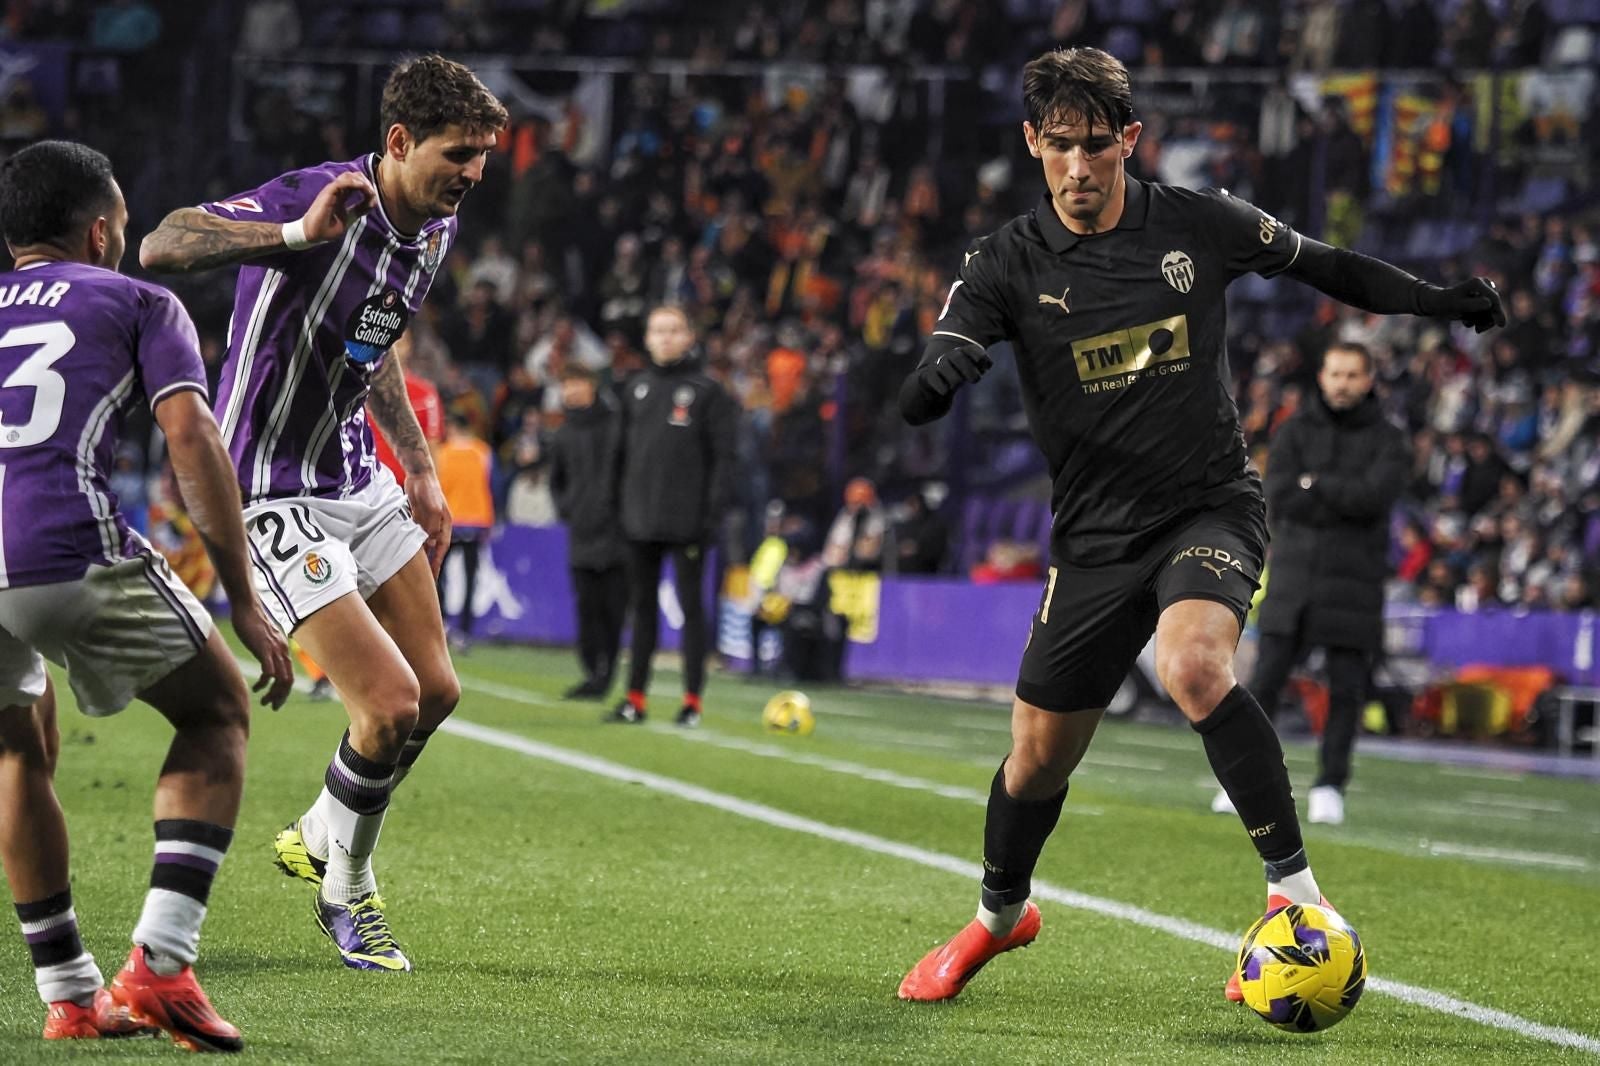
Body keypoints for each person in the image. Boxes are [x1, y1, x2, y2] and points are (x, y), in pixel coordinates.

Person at [894, 47, 1503, 1004]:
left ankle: (1295, 902)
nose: (1081, 167)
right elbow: (948, 346)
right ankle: (999, 921)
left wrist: (1432, 299)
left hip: (1207, 505)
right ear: (1033, 144)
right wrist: (937, 377)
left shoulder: (1197, 223)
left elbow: (1324, 264)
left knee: (1192, 665)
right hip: (1092, 539)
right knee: (1035, 760)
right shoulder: (1005, 260)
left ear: (1130, 139)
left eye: (1099, 145)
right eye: (1061, 147)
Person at [139, 54, 507, 972]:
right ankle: (347, 891)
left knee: (438, 692)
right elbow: (160, 246)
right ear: (398, 142)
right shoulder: (318, 197)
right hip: (264, 485)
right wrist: (293, 236)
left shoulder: (432, 228)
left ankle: (322, 827)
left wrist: (418, 469)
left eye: (484, 157)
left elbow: (371, 340)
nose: (473, 173)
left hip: (353, 474)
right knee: (384, 708)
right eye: (458, 153)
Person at [0, 140, 292, 1050]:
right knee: (216, 715)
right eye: (121, 227)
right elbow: (193, 441)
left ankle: (70, 994)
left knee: (15, 750)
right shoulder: (138, 299)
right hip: (64, 546)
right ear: (100, 230)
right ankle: (161, 968)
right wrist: (241, 595)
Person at [1216, 341, 1408, 826]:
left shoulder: (1389, 439)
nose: (1342, 383)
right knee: (1263, 687)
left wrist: (1315, 485)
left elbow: (1374, 498)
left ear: (1368, 380)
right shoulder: (1294, 431)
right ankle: (1241, 783)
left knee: (1347, 691)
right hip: (1295, 579)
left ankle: (1330, 785)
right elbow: (1278, 495)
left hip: (1355, 583)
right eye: (1335, 373)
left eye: (1352, 375)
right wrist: (1330, 493)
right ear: (1321, 377)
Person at [608, 305, 738, 727]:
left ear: (689, 337)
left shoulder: (708, 391)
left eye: (674, 330)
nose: (665, 338)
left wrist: (711, 514)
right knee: (641, 610)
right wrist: (616, 510)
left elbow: (724, 459)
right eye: (657, 330)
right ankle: (634, 698)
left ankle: (692, 701)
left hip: (689, 522)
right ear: (647, 339)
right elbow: (619, 456)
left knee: (691, 609)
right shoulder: (634, 388)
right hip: (639, 520)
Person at [548, 364, 628, 699]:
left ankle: (605, 673)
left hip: (616, 532)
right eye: (566, 384)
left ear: (592, 385)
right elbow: (557, 481)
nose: (571, 391)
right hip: (581, 531)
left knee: (613, 607)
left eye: (576, 383)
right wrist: (569, 508)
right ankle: (593, 670)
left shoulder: (616, 425)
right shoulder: (563, 433)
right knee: (587, 606)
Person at [435, 411, 495, 647]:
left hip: (450, 521)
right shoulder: (483, 452)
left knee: (439, 573)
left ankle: (442, 622)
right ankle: (465, 632)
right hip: (477, 520)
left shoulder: (442, 453)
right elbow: (493, 485)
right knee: (471, 577)